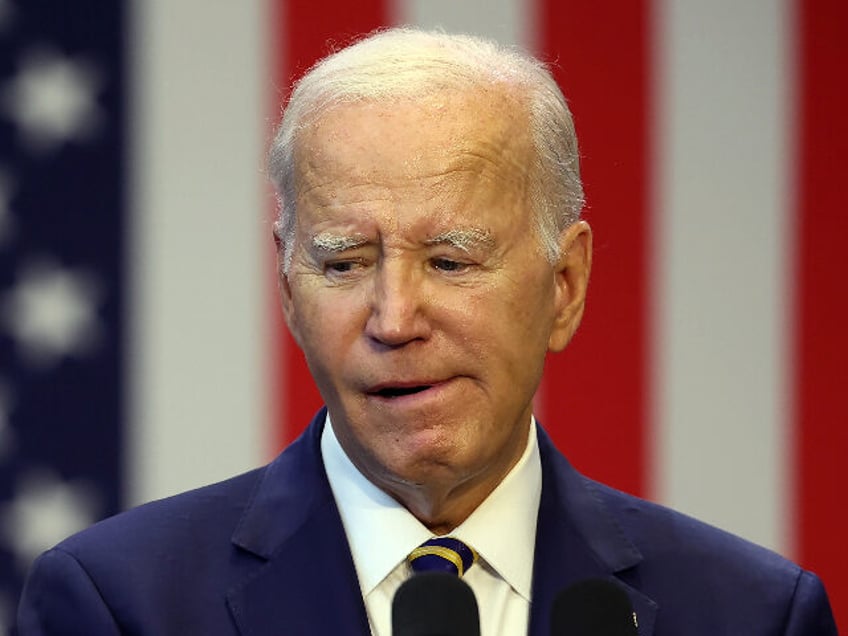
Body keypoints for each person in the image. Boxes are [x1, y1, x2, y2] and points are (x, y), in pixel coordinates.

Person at [17, 27, 837, 636]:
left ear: (565, 284)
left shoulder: (751, 615)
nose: (395, 319)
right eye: (343, 263)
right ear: (287, 285)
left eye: (450, 261)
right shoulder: (117, 604)